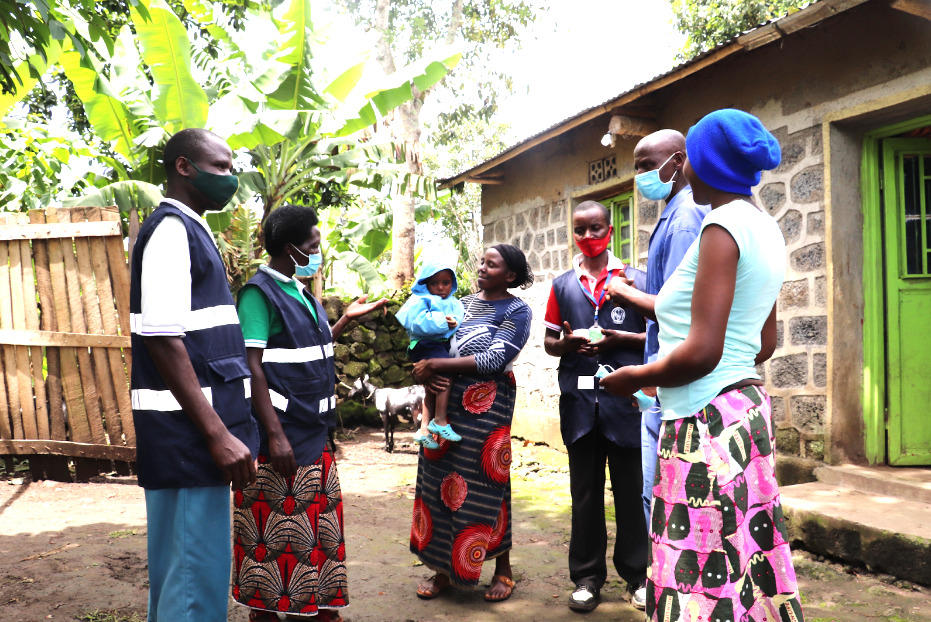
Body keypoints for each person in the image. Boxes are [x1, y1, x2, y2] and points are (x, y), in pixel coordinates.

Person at [601, 109, 805, 621]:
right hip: (745, 413)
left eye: (690, 154)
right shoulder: (765, 227)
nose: (683, 165)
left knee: (698, 566)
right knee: (742, 559)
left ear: (705, 162)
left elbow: (702, 351)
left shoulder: (719, 227)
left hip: (704, 421)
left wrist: (638, 377)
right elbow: (764, 341)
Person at [232, 204, 388, 622]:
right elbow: (253, 366)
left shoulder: (300, 291)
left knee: (317, 531)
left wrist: (341, 324)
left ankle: (318, 609)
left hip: (314, 434)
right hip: (281, 440)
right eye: (313, 245)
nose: (319, 250)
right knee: (275, 536)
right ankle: (264, 613)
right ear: (290, 248)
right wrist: (275, 435)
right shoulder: (258, 295)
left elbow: (304, 350)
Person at [129, 128, 259, 622]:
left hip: (198, 438)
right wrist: (217, 433)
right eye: (221, 167)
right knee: (190, 583)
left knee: (191, 574)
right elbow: (164, 340)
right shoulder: (170, 231)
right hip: (188, 440)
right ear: (184, 167)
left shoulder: (191, 229)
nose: (231, 178)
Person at [409, 244, 533, 603]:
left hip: (487, 406)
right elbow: (434, 340)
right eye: (481, 262)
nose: (481, 268)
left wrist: (437, 367)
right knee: (438, 481)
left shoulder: (516, 310)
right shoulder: (459, 303)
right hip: (445, 398)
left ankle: (503, 569)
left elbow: (496, 357)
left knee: (488, 482)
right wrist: (426, 367)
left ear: (509, 275)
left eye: (491, 265)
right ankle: (443, 569)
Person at [542, 200, 649, 612]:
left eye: (596, 228)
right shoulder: (562, 286)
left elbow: (656, 338)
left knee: (630, 494)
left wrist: (621, 339)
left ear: (610, 229)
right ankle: (586, 578)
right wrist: (564, 345)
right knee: (584, 496)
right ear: (573, 233)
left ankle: (637, 576)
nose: (588, 237)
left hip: (626, 406)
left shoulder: (634, 280)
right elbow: (550, 343)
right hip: (580, 407)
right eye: (580, 230)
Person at [607, 129, 711, 541]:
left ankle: (667, 586)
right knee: (655, 492)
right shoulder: (564, 285)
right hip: (602, 390)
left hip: (665, 379)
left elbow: (676, 310)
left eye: (648, 166)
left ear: (679, 160)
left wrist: (625, 293)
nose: (641, 177)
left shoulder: (685, 220)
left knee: (662, 493)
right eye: (636, 169)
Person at [395, 255, 466, 450]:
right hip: (425, 343)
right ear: (425, 283)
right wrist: (443, 321)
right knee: (445, 375)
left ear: (452, 283)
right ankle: (440, 421)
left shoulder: (454, 302)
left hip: (437, 345)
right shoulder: (420, 299)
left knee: (433, 386)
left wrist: (452, 321)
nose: (441, 287)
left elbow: (459, 318)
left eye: (446, 282)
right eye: (435, 283)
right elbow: (416, 323)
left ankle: (424, 429)